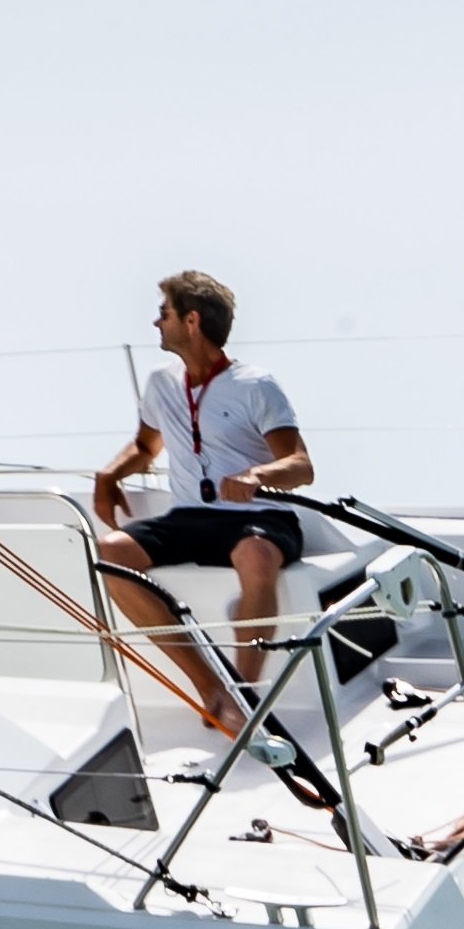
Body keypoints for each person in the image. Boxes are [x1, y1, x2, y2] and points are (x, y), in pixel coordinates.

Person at [90, 271, 313, 743]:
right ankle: (211, 690)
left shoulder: (256, 384)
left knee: (255, 556)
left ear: (191, 320)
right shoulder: (160, 384)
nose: (156, 322)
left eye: (164, 312)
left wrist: (256, 476)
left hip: (259, 517)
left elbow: (299, 465)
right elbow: (146, 448)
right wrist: (109, 474)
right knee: (111, 553)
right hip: (190, 517)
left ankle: (245, 692)